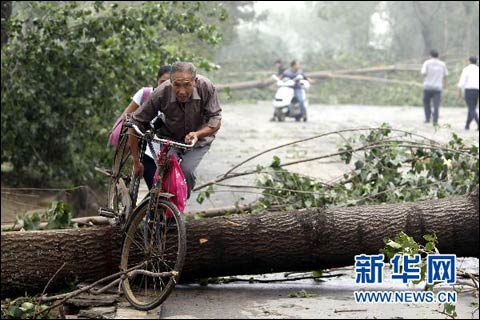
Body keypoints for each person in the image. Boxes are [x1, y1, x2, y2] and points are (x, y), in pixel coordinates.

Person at [128, 62, 222, 198]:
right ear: (170, 82)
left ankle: (177, 210)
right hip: (170, 138)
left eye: (187, 85)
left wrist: (197, 134)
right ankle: (163, 209)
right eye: (176, 85)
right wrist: (136, 162)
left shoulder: (206, 87)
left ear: (195, 82)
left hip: (198, 140)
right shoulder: (160, 93)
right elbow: (135, 123)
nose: (182, 91)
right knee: (168, 171)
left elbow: (216, 120)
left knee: (186, 171)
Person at [111, 65, 172, 190]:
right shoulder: (146, 94)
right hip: (143, 143)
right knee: (154, 188)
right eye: (162, 82)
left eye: (168, 83)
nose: (164, 87)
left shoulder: (175, 99)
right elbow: (127, 117)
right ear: (157, 81)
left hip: (163, 147)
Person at [421, 50, 448, 126]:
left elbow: (423, 73)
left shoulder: (427, 63)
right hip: (438, 87)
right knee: (436, 104)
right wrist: (444, 85)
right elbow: (445, 75)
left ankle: (427, 118)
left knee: (426, 103)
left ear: (430, 55)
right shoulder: (442, 64)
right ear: (438, 56)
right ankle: (435, 120)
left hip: (427, 86)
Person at [457, 56, 479, 131]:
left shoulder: (466, 69)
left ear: (469, 61)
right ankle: (467, 125)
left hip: (469, 90)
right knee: (472, 108)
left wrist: (459, 91)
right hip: (476, 91)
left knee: (471, 108)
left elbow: (462, 81)